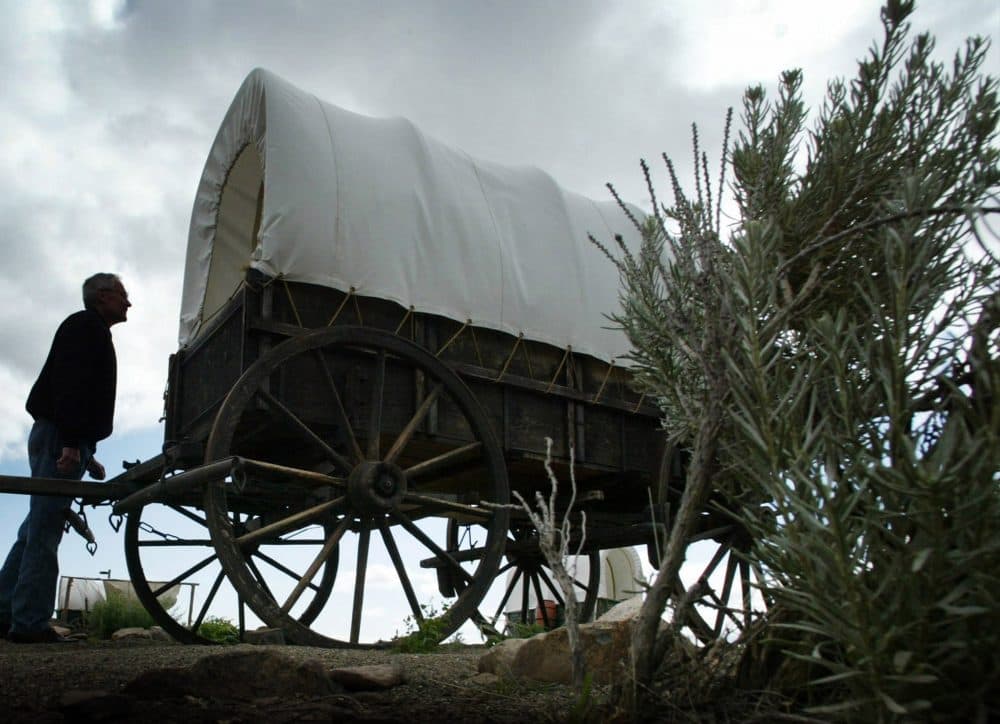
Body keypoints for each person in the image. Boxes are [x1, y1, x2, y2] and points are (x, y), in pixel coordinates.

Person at [0, 273, 130, 643]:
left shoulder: (87, 328)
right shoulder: (87, 325)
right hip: (61, 435)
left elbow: (73, 390)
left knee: (35, 528)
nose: (128, 303)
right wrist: (73, 444)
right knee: (44, 531)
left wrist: (87, 454)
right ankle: (28, 624)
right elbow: (71, 385)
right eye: (123, 295)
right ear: (102, 296)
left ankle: (6, 611)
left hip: (60, 434)